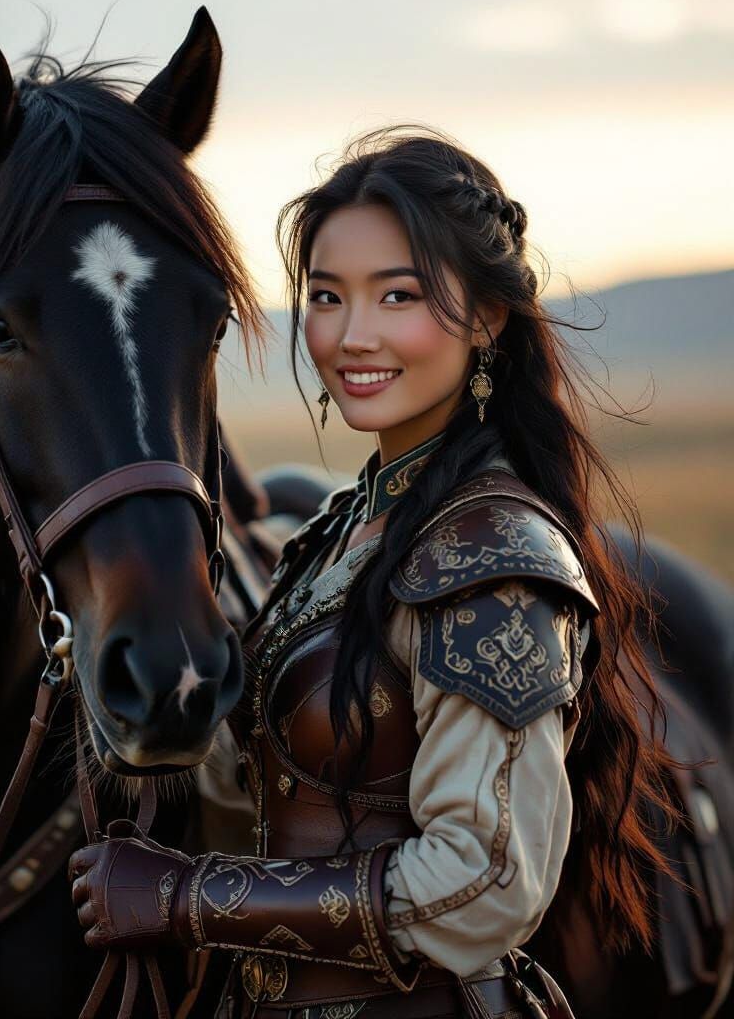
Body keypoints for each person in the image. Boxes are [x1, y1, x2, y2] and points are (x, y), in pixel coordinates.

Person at [68, 127, 676, 1019]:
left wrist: (182, 899)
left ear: (487, 315)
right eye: (326, 296)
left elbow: (485, 882)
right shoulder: (342, 526)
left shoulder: (494, 559)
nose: (353, 336)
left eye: (398, 295)